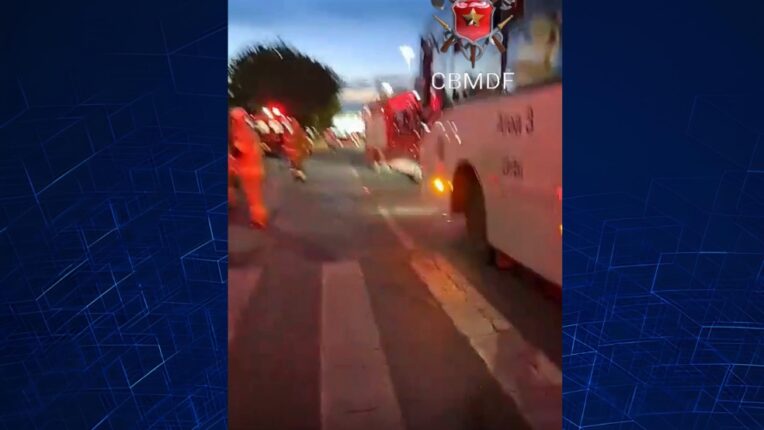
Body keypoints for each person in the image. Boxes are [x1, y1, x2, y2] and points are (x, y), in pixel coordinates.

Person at [229, 107, 268, 229]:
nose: (231, 122)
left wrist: (231, 150)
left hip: (250, 171)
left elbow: (238, 151)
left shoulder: (242, 133)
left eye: (232, 120)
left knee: (254, 199)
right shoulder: (251, 132)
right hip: (255, 169)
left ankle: (258, 221)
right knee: (254, 197)